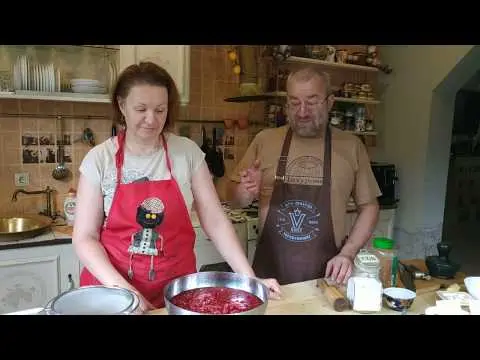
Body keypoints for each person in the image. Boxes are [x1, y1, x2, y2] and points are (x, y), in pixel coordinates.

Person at [72, 61, 281, 313]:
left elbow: (214, 220)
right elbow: (85, 237)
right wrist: (126, 292)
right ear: (121, 104)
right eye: (141, 109)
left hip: (176, 296)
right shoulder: (100, 159)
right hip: (115, 295)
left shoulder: (187, 153)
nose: (152, 119)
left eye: (160, 110)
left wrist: (249, 278)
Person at [230, 66, 381, 286]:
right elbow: (234, 200)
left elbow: (370, 206)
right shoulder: (265, 141)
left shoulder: (351, 146)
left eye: (311, 102)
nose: (302, 112)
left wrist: (348, 253)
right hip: (270, 278)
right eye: (294, 103)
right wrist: (244, 192)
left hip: (328, 276)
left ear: (330, 102)